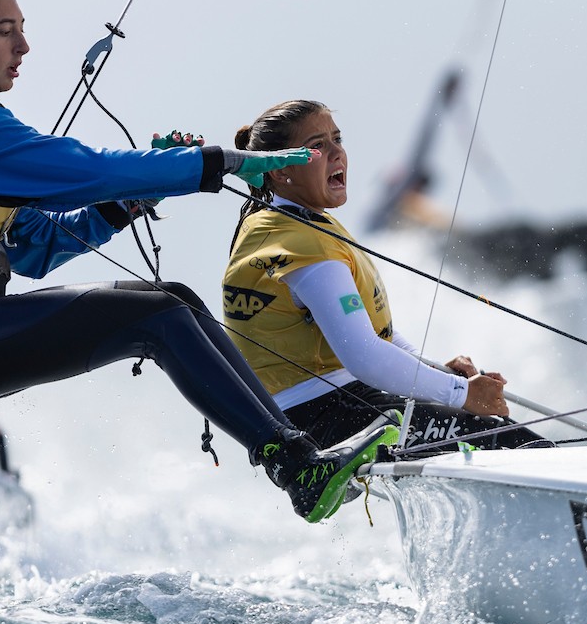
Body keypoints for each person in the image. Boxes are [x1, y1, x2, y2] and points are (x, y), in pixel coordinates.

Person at [0, 0, 397, 523]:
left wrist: (131, 199)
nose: (24, 46)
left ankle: (301, 450)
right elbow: (81, 169)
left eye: (22, 29)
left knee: (177, 301)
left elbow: (35, 247)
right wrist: (213, 163)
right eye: (5, 31)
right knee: (159, 316)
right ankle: (296, 467)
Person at [222, 99, 547, 453]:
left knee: (506, 433)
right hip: (328, 414)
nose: (337, 154)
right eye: (317, 146)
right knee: (520, 446)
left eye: (338, 139)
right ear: (279, 170)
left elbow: (379, 337)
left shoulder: (280, 224)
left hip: (332, 408)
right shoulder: (300, 243)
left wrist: (440, 372)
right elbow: (364, 355)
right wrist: (462, 394)